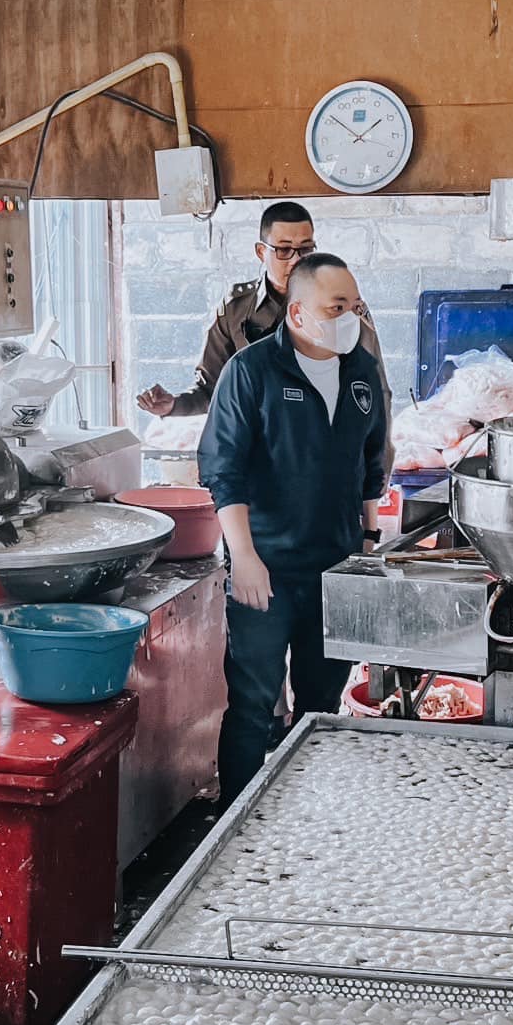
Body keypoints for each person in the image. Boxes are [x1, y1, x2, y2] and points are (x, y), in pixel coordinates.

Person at [198, 253, 389, 806]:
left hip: (336, 566)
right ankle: (234, 824)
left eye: (355, 307)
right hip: (267, 567)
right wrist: (244, 558)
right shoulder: (251, 371)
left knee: (321, 708)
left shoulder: (361, 369)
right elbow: (223, 472)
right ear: (299, 313)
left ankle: (307, 819)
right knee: (253, 703)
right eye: (337, 307)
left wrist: (368, 543)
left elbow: (370, 464)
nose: (350, 319)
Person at [136, 202, 389, 421]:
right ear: (261, 252)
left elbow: (373, 390)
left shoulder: (341, 307)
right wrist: (173, 406)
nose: (296, 260)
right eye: (284, 250)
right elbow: (213, 389)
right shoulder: (236, 311)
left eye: (305, 249)